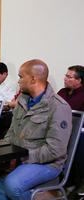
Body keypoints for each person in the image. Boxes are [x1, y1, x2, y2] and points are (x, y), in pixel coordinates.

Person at [0, 59, 72, 200]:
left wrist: (23, 157)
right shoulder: (23, 101)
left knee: (12, 184)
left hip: (47, 163)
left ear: (33, 79)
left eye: (21, 77)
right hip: (18, 155)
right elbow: (11, 133)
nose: (18, 81)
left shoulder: (58, 107)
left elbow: (55, 150)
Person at [57, 65, 84, 199]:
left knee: (79, 142)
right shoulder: (62, 92)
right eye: (66, 75)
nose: (65, 79)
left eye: (69, 77)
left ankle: (78, 183)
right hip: (60, 130)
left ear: (80, 80)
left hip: (78, 132)